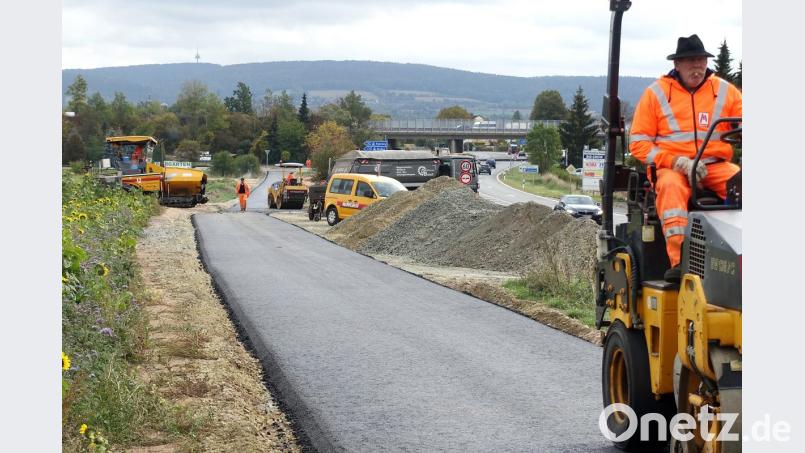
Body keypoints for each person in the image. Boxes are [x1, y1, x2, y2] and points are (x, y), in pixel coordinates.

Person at [629, 34, 742, 283]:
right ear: (677, 65)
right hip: (674, 169)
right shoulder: (656, 94)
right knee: (670, 188)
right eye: (691, 61)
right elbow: (638, 144)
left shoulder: (725, 91)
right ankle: (680, 262)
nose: (697, 66)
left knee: (741, 182)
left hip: (715, 165)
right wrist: (676, 161)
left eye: (701, 60)